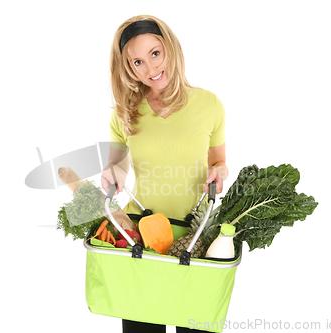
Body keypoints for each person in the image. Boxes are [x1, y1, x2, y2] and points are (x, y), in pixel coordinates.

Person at [100, 15, 228, 333]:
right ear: (128, 68)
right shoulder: (123, 113)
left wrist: (219, 172)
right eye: (138, 62)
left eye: (155, 54)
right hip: (139, 239)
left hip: (195, 239)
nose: (151, 70)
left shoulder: (210, 105)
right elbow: (118, 165)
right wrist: (111, 175)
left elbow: (219, 163)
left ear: (170, 47)